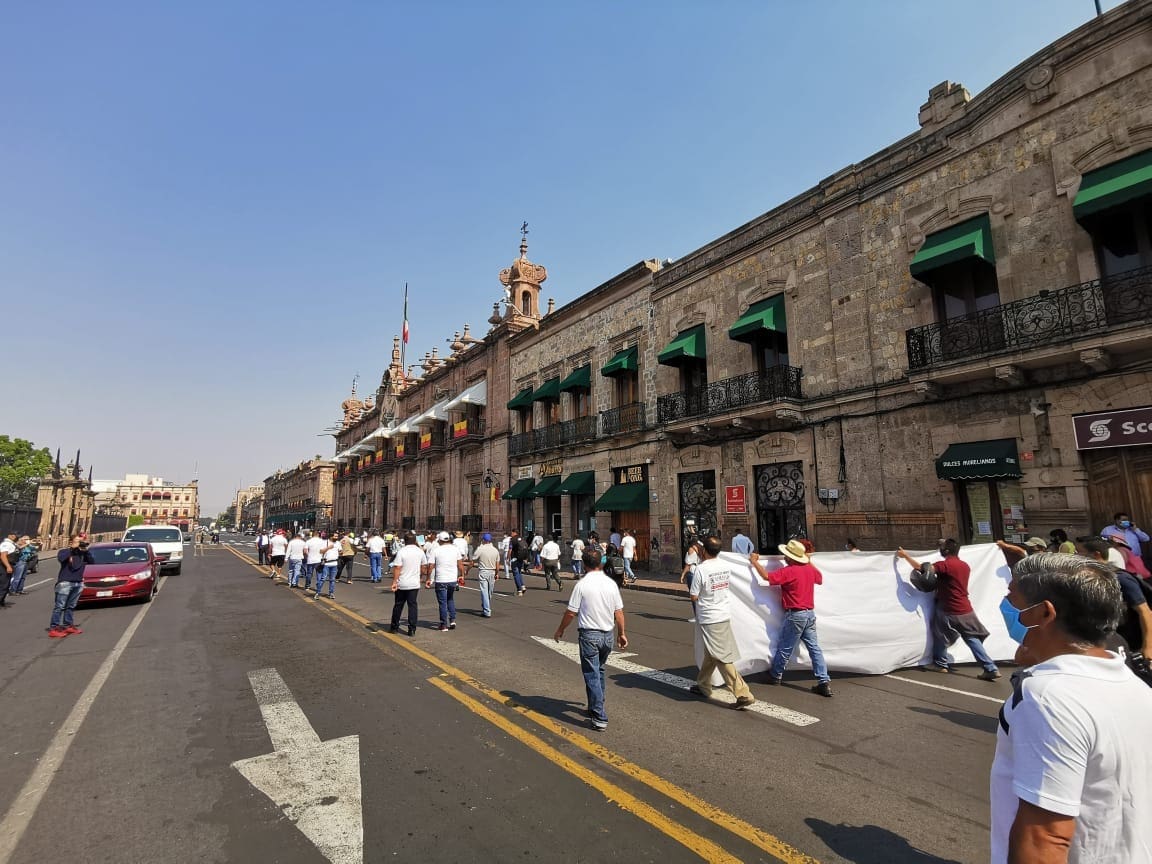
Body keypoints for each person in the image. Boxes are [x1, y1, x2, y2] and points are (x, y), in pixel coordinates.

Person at [990, 552, 1152, 863]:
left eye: (1012, 596)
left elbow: (1045, 837)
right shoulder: (1136, 687)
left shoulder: (1046, 697)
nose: (1006, 604)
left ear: (1044, 612)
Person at [898, 540, 1000, 681]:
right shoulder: (965, 565)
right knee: (972, 638)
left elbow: (922, 569)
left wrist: (905, 556)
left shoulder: (945, 565)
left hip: (947, 609)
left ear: (946, 551)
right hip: (965, 609)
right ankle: (990, 668)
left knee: (940, 636)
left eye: (942, 547)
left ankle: (941, 664)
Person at [553, 548, 628, 731]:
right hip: (607, 636)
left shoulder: (582, 585)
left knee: (591, 674)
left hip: (590, 636)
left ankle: (599, 716)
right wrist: (622, 633)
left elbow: (571, 612)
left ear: (584, 564)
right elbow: (619, 612)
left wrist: (560, 630)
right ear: (600, 563)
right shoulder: (611, 584)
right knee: (599, 670)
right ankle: (596, 704)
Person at [750, 539, 833, 696]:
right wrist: (808, 561)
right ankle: (824, 681)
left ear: (790, 557)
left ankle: (775, 675)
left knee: (785, 646)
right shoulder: (808, 569)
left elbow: (766, 577)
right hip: (809, 614)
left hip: (795, 614)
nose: (784, 557)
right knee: (814, 649)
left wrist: (754, 562)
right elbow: (820, 579)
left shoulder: (789, 571)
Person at [688, 535, 756, 708]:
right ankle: (703, 684)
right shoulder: (725, 565)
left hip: (709, 617)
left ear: (703, 551)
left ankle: (743, 693)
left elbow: (694, 595)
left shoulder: (701, 569)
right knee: (712, 652)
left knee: (721, 656)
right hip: (723, 613)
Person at [1078, 538, 1152, 659]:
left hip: (1134, 645)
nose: (1076, 556)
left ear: (1096, 554)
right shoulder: (1097, 578)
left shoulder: (1121, 579)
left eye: (1080, 553)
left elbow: (1145, 612)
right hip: (1116, 641)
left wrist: (1148, 648)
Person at [49, 535, 94, 637]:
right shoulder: (64, 552)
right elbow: (61, 559)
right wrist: (72, 549)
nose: (79, 543)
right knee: (60, 606)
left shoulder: (82, 553)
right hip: (65, 582)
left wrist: (86, 551)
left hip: (78, 582)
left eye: (80, 541)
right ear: (71, 542)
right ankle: (54, 627)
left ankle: (68, 625)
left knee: (71, 606)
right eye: (77, 541)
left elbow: (92, 561)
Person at [426, 531, 464, 631]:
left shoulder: (436, 550)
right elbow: (460, 565)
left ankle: (443, 624)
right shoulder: (455, 549)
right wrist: (462, 575)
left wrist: (428, 578)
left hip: (441, 579)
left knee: (442, 602)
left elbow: (430, 566)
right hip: (452, 579)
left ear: (440, 540)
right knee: (450, 599)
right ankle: (452, 620)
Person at [390, 532, 424, 636]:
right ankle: (412, 629)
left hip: (402, 583)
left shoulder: (401, 551)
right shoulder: (420, 552)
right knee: (412, 605)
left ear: (405, 541)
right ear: (415, 541)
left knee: (398, 605)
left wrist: (394, 581)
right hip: (414, 583)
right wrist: (421, 577)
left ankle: (394, 627)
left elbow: (397, 567)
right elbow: (423, 566)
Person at [474, 533, 501, 617]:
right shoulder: (495, 550)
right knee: (489, 592)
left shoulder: (480, 549)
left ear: (483, 540)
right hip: (492, 572)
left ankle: (486, 606)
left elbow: (473, 559)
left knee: (485, 591)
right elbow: (497, 564)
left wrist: (467, 570)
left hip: (483, 571)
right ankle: (486, 609)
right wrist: (497, 573)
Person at [680, 537, 703, 622]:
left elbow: (688, 565)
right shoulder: (701, 549)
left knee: (693, 595)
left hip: (692, 573)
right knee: (700, 596)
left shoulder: (691, 549)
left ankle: (697, 616)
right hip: (700, 572)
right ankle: (702, 615)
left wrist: (683, 575)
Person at [314, 533, 339, 599]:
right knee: (323, 579)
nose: (336, 537)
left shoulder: (338, 543)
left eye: (337, 536)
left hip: (334, 563)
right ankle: (317, 593)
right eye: (335, 536)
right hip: (326, 564)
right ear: (331, 536)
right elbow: (321, 551)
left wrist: (341, 552)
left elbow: (340, 551)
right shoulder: (325, 542)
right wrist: (328, 548)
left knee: (332, 580)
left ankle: (331, 593)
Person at [508, 531, 527, 596]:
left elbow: (510, 549)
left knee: (516, 574)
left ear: (514, 532)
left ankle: (519, 590)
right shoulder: (522, 538)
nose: (511, 534)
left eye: (512, 533)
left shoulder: (512, 539)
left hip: (514, 559)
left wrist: (508, 558)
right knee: (519, 572)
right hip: (520, 558)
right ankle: (523, 586)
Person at [0, 532, 17, 607]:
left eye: (15, 535)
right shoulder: (6, 544)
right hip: (3, 566)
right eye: (13, 535)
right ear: (9, 535)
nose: (15, 537)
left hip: (8, 565)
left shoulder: (11, 543)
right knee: (3, 585)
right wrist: (8, 566)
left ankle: (1, 601)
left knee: (6, 585)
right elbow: (3, 555)